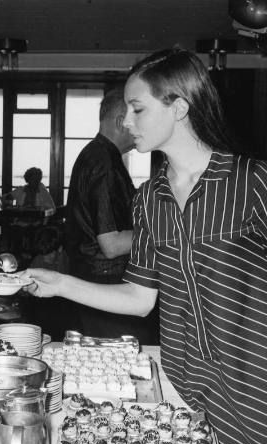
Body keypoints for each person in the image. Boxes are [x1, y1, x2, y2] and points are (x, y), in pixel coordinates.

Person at [22, 48, 267, 444]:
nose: (126, 120)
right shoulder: (149, 198)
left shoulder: (253, 182)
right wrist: (61, 284)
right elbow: (139, 298)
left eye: (138, 109)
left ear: (179, 107)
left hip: (255, 383)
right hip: (183, 382)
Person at [65, 86, 158, 341]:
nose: (139, 127)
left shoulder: (96, 154)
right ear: (121, 121)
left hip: (93, 275)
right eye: (135, 118)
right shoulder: (104, 164)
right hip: (107, 278)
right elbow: (111, 244)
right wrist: (163, 231)